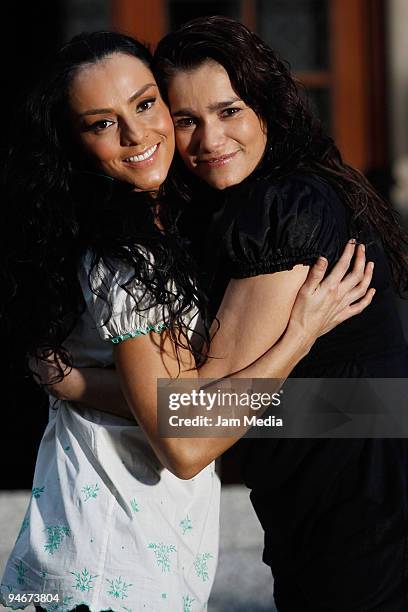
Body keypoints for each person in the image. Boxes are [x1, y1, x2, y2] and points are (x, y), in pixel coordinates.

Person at [0, 31, 373, 612]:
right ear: (73, 144)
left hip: (133, 555)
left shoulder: (161, 234)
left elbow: (174, 404)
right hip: (111, 561)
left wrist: (78, 384)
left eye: (146, 105)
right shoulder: (131, 256)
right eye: (101, 123)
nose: (136, 135)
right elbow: (186, 437)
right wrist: (299, 335)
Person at [152, 16, 408, 611]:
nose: (209, 140)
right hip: (340, 501)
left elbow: (198, 420)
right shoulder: (304, 187)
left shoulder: (283, 206)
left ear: (268, 106)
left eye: (230, 111)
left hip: (359, 518)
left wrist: (75, 383)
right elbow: (355, 395)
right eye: (186, 120)